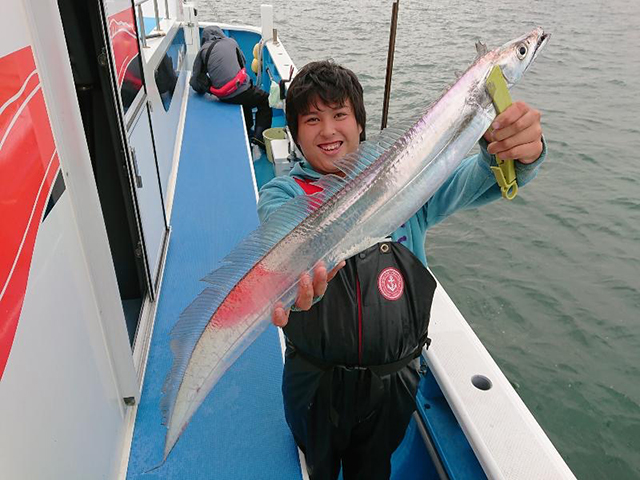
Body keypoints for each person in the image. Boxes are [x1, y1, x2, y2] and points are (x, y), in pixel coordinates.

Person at [257, 60, 545, 479]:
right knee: (314, 464)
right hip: (313, 383)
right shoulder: (282, 193)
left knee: (374, 468)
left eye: (340, 115)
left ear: (360, 125)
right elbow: (279, 232)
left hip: (393, 385)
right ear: (297, 135)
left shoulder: (408, 188)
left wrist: (520, 152)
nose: (328, 130)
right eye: (312, 119)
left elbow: (480, 176)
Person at [190, 26, 272, 146]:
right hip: (239, 91)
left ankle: (248, 128)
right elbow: (242, 64)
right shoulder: (231, 42)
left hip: (222, 95)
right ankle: (259, 138)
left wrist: (204, 88)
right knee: (264, 99)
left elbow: (195, 80)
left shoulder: (203, 51)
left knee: (244, 94)